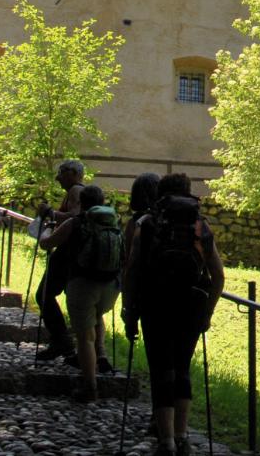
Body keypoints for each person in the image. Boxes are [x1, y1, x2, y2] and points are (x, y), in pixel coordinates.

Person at [122, 172, 224, 455]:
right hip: (191, 305)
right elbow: (218, 274)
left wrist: (129, 310)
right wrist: (208, 312)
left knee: (160, 370)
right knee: (182, 368)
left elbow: (132, 270)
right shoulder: (200, 226)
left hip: (155, 304)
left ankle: (165, 440)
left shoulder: (147, 224)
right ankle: (182, 436)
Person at [39, 184, 123, 403]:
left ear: (82, 203)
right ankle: (101, 356)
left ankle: (90, 386)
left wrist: (46, 228)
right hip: (110, 285)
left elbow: (47, 244)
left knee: (85, 337)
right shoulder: (115, 222)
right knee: (96, 318)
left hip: (82, 283)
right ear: (103, 201)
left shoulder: (74, 223)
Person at [34, 159, 86, 362]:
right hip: (71, 253)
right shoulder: (76, 191)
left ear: (73, 173)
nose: (57, 177)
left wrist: (50, 213)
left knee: (44, 295)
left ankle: (62, 341)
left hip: (67, 253)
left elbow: (75, 217)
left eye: (61, 172)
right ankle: (64, 342)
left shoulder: (75, 191)